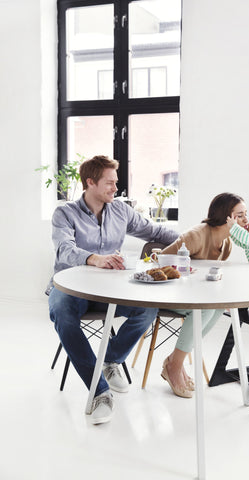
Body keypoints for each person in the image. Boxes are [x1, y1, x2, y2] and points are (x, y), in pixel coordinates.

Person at [48, 155, 178, 424]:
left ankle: (110, 361)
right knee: (62, 315)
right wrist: (95, 258)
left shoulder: (120, 210)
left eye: (115, 182)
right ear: (90, 182)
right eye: (109, 183)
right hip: (71, 286)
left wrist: (198, 236)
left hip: (110, 289)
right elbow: (64, 249)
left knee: (147, 309)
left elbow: (154, 231)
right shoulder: (65, 213)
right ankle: (99, 392)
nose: (115, 188)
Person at [160, 192, 248, 398]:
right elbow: (162, 258)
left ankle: (174, 361)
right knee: (205, 308)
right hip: (169, 295)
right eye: (240, 215)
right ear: (226, 216)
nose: (246, 220)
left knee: (217, 307)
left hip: (193, 298)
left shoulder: (227, 244)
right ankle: (174, 366)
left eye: (246, 214)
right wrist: (185, 271)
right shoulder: (196, 235)